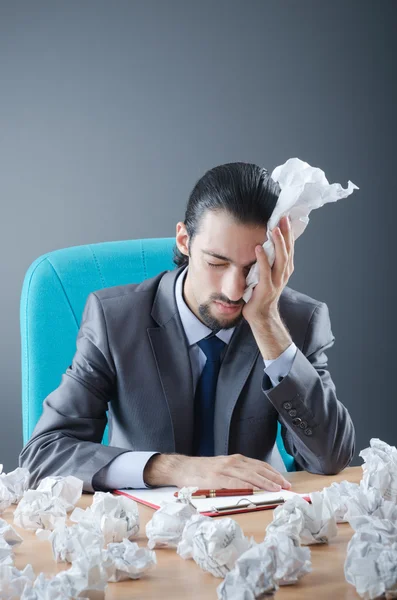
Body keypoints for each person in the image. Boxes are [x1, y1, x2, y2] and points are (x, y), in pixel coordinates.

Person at [20, 162, 355, 493]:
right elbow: (43, 454)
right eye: (216, 262)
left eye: (252, 268)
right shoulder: (114, 321)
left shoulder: (297, 321)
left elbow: (330, 458)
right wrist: (175, 468)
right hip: (143, 530)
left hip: (260, 527)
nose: (233, 290)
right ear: (184, 240)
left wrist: (268, 326)